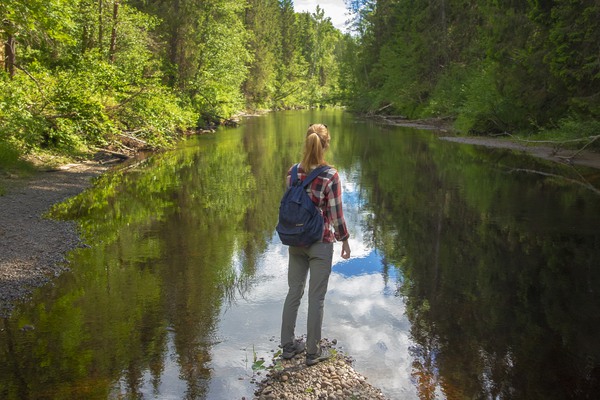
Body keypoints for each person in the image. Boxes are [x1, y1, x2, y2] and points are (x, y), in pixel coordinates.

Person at [280, 123, 351, 366]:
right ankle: (312, 352)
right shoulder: (330, 175)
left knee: (294, 292)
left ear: (306, 142)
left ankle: (288, 346)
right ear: (326, 144)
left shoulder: (292, 172)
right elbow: (336, 214)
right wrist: (345, 240)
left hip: (295, 240)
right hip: (320, 242)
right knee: (316, 298)